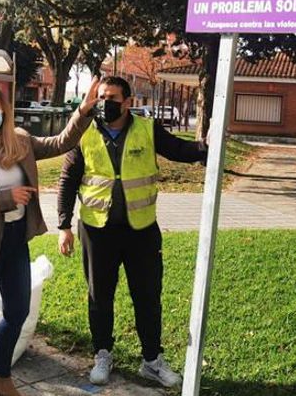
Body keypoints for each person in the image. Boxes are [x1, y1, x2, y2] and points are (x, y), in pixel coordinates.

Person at [56, 76, 207, 387]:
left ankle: (152, 359)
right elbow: (67, 180)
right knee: (100, 297)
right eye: (100, 97)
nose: (104, 103)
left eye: (111, 97)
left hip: (141, 230)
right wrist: (63, 225)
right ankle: (102, 354)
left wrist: (208, 147)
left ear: (127, 102)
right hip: (98, 230)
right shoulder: (84, 132)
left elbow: (180, 150)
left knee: (148, 296)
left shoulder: (147, 129)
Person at [0, 80, 100, 396]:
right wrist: (7, 199)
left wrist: (83, 111)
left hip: (15, 240)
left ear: (5, 111)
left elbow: (60, 143)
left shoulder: (19, 140)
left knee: (18, 312)